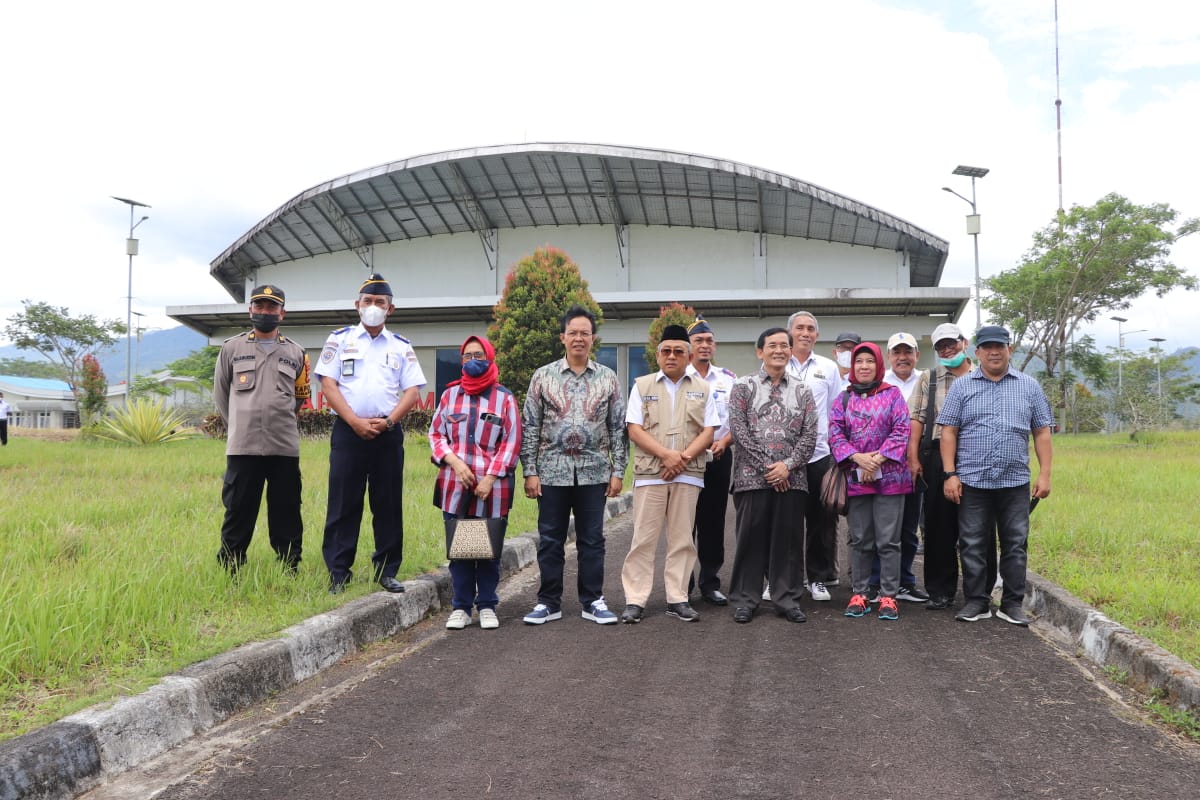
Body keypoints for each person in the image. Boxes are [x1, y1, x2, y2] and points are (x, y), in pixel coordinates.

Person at [316, 273, 427, 595]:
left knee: (388, 503)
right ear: (357, 306)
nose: (374, 307)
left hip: (387, 433)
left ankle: (387, 570)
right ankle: (338, 572)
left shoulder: (401, 346)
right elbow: (327, 384)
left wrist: (390, 421)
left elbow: (412, 390)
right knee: (343, 503)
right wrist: (353, 421)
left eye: (380, 302)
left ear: (391, 309)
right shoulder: (339, 340)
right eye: (368, 302)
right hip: (348, 432)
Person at [939, 325, 1054, 625]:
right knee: (973, 542)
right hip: (973, 480)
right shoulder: (962, 386)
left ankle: (1012, 603)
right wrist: (950, 474)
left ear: (1009, 350)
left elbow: (1041, 432)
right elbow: (948, 431)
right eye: (987, 347)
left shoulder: (1029, 386)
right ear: (976, 352)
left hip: (1015, 480)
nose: (993, 352)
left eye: (999, 346)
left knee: (1015, 543)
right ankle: (977, 600)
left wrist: (1045, 475)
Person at [520, 305, 628, 625]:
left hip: (594, 471)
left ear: (593, 338)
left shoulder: (608, 378)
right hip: (551, 470)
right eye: (573, 333)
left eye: (585, 333)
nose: (579, 338)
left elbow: (618, 427)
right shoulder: (543, 376)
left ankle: (592, 599)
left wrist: (618, 470)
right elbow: (530, 426)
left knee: (592, 539)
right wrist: (530, 471)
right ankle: (548, 601)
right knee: (551, 538)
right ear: (563, 338)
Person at [620, 324, 718, 624]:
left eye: (678, 351)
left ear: (688, 355)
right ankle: (635, 600)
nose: (672, 356)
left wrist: (682, 458)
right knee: (643, 539)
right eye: (666, 351)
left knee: (682, 539)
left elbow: (709, 431)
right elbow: (634, 429)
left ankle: (678, 598)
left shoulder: (703, 388)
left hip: (688, 473)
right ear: (658, 355)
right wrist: (666, 456)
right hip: (652, 473)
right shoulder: (643, 385)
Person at [212, 284, 311, 574]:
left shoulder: (296, 352)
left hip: (283, 445)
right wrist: (238, 426)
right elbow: (221, 393)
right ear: (250, 310)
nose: (265, 312)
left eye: (271, 307)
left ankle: (289, 565)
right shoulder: (232, 348)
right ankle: (231, 565)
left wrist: (278, 418)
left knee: (287, 509)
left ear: (282, 313)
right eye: (260, 306)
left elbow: (300, 396)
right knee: (238, 508)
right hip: (243, 445)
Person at [429, 335, 522, 630]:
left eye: (478, 355)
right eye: (467, 356)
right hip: (455, 486)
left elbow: (511, 442)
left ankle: (487, 605)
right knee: (461, 549)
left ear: (490, 357)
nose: (472, 361)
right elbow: (435, 434)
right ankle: (462, 606)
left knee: (487, 550)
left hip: (491, 490)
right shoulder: (450, 396)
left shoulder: (504, 398)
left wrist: (490, 478)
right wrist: (454, 462)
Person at [727, 327, 818, 624]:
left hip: (792, 478)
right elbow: (739, 431)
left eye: (784, 345)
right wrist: (771, 468)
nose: (779, 350)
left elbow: (810, 434)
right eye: (772, 345)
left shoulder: (803, 389)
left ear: (791, 351)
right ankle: (745, 599)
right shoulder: (743, 386)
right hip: (751, 476)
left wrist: (787, 466)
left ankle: (788, 598)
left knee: (788, 541)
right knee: (750, 540)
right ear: (760, 351)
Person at [907, 323, 996, 610]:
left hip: (977, 455)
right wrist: (914, 458)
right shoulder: (928, 378)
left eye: (951, 344)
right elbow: (917, 419)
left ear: (965, 343)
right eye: (941, 346)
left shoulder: (984, 375)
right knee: (938, 526)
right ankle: (940, 591)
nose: (947, 350)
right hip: (935, 456)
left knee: (979, 526)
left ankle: (980, 591)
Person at [829, 342, 912, 621]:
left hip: (890, 479)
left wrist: (876, 460)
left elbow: (902, 430)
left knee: (888, 540)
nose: (864, 366)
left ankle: (889, 596)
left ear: (879, 365)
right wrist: (858, 458)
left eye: (869, 361)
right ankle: (860, 593)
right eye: (858, 362)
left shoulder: (893, 395)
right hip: (856, 477)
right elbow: (835, 435)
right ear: (852, 367)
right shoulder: (843, 399)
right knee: (861, 538)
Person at [785, 312, 843, 603]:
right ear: (790, 333)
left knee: (820, 521)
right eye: (800, 328)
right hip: (785, 458)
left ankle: (817, 578)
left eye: (811, 329)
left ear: (817, 335)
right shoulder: (777, 361)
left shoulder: (828, 367)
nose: (805, 333)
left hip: (820, 455)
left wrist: (836, 451)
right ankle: (787, 578)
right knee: (787, 520)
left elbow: (837, 411)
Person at [871, 331, 929, 603]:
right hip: (882, 465)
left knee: (908, 527)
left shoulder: (927, 381)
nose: (903, 357)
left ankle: (905, 581)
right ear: (889, 356)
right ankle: (874, 582)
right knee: (878, 528)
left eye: (908, 352)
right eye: (897, 352)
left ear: (917, 355)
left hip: (915, 464)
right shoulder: (878, 383)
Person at [686, 315, 737, 606]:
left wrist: (724, 442)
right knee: (684, 522)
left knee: (713, 520)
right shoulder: (680, 377)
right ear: (690, 345)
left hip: (719, 455)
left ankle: (709, 582)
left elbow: (736, 420)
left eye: (709, 341)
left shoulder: (728, 379)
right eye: (698, 341)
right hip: (686, 458)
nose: (704, 345)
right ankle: (683, 582)